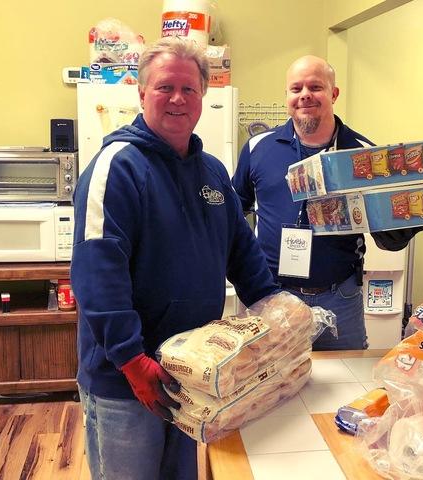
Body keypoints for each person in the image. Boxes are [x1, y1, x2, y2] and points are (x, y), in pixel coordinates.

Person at [70, 37, 278, 480]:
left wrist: (277, 313)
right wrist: (131, 359)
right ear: (142, 93)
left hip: (194, 372)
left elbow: (242, 252)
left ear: (204, 96)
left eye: (189, 89)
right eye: (165, 87)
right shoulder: (117, 167)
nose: (178, 98)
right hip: (127, 381)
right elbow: (97, 273)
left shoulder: (213, 172)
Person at [232, 55, 423, 351]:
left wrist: (405, 225)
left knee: (342, 385)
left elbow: (386, 236)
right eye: (296, 89)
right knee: (270, 386)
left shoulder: (363, 155)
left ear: (333, 94)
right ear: (287, 97)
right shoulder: (258, 148)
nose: (305, 95)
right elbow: (234, 214)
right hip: (270, 295)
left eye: (315, 87)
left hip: (340, 299)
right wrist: (245, 273)